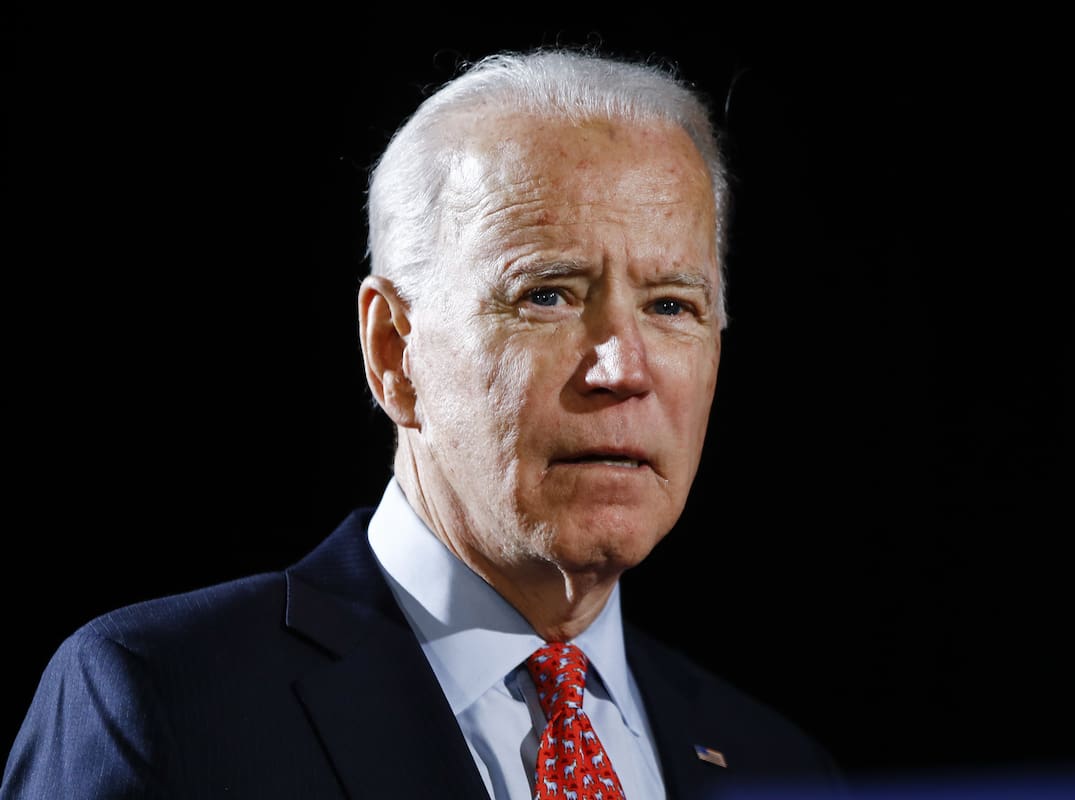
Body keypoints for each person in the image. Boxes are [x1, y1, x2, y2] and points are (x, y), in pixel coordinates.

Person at [2, 47, 845, 799]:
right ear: (393, 351)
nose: (623, 369)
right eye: (546, 295)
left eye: (671, 305)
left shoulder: (777, 765)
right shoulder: (166, 701)